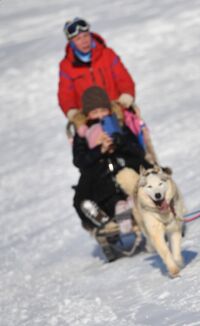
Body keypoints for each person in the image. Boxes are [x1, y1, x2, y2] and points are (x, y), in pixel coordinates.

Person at [73, 86, 151, 262]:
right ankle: (104, 219)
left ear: (109, 109)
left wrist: (118, 142)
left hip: (123, 172)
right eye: (95, 112)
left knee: (132, 179)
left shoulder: (119, 125)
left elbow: (137, 151)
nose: (100, 115)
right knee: (85, 196)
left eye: (103, 110)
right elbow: (79, 161)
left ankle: (132, 205)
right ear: (87, 115)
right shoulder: (83, 135)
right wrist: (99, 151)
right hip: (101, 179)